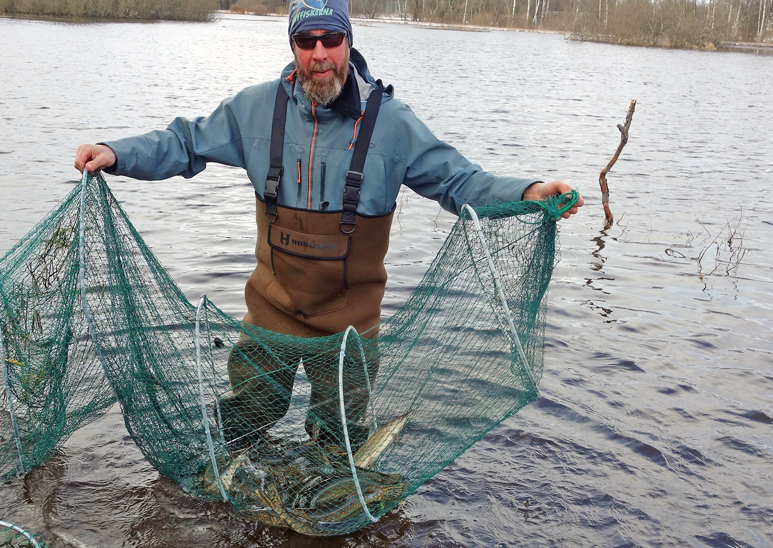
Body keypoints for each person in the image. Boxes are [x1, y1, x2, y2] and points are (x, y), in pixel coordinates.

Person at [74, 0, 584, 452]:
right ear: (294, 46)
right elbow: (183, 143)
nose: (320, 54)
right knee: (245, 426)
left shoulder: (394, 124)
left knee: (338, 443)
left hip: (350, 331)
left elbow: (462, 183)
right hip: (270, 313)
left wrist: (528, 193)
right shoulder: (255, 110)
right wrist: (117, 155)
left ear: (348, 41)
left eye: (331, 39)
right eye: (306, 40)